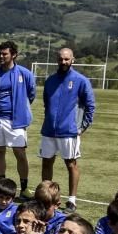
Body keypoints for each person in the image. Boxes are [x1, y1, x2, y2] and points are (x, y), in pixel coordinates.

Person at [40, 48, 96, 213]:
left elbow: (90, 106)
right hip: (49, 130)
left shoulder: (80, 80)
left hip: (69, 132)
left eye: (66, 59)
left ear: (73, 60)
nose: (63, 62)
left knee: (71, 164)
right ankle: (46, 198)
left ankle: (71, 200)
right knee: (46, 162)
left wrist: (82, 127)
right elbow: (47, 104)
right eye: (60, 59)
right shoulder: (50, 80)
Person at [0, 40, 35, 199]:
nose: (1, 56)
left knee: (20, 153)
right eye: (0, 53)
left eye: (4, 54)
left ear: (13, 55)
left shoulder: (24, 73)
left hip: (16, 121)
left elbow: (31, 94)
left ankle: (24, 188)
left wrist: (21, 108)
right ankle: (2, 186)